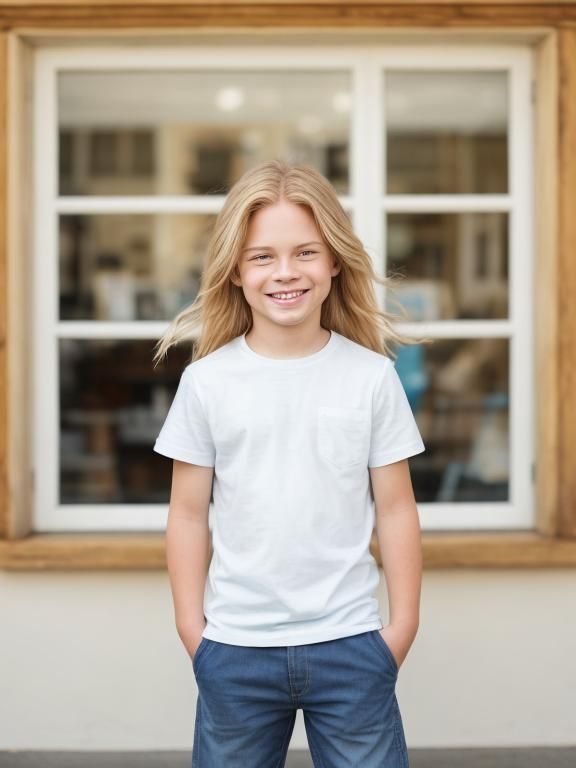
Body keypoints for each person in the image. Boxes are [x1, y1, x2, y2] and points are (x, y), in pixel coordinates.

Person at [152, 159, 430, 768]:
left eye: (305, 252)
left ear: (334, 260)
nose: (285, 272)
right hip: (235, 648)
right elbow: (187, 514)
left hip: (353, 644)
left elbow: (396, 508)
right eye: (261, 256)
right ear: (234, 271)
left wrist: (399, 629)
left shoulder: (371, 378)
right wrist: (192, 633)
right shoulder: (206, 383)